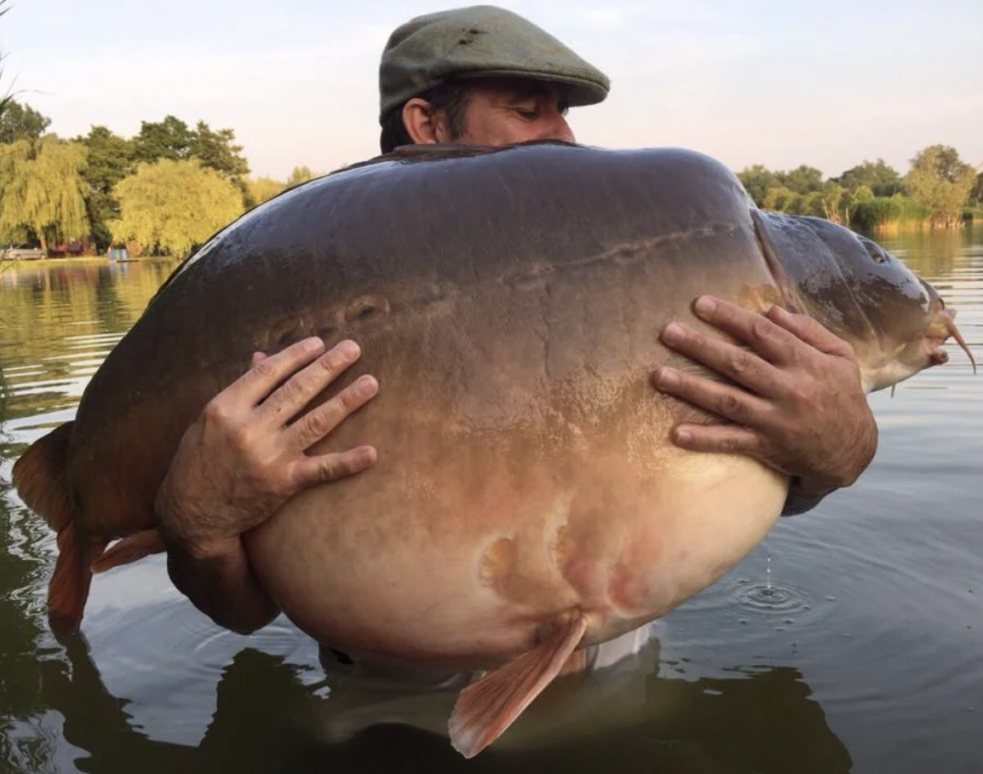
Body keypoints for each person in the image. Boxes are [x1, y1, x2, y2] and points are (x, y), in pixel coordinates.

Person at [155, 6, 877, 636]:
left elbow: (711, 478)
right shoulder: (303, 297)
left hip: (620, 685)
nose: (564, 138)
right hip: (391, 716)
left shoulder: (613, 285)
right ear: (427, 125)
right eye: (530, 111)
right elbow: (243, 614)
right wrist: (198, 527)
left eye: (566, 113)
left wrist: (830, 456)